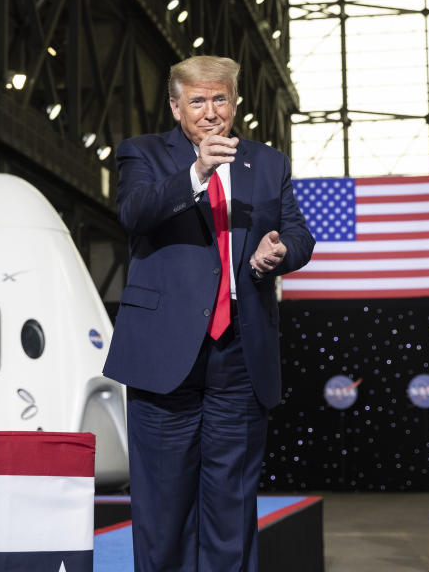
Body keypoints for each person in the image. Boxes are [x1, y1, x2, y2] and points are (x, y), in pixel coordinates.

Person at [103, 55, 315, 571]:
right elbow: (135, 212)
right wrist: (197, 171)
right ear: (176, 107)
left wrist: (281, 251)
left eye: (220, 98)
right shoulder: (143, 155)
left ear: (235, 103)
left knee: (232, 508)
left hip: (241, 356)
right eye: (197, 101)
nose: (210, 111)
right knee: (163, 509)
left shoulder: (268, 163)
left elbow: (299, 234)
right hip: (165, 357)